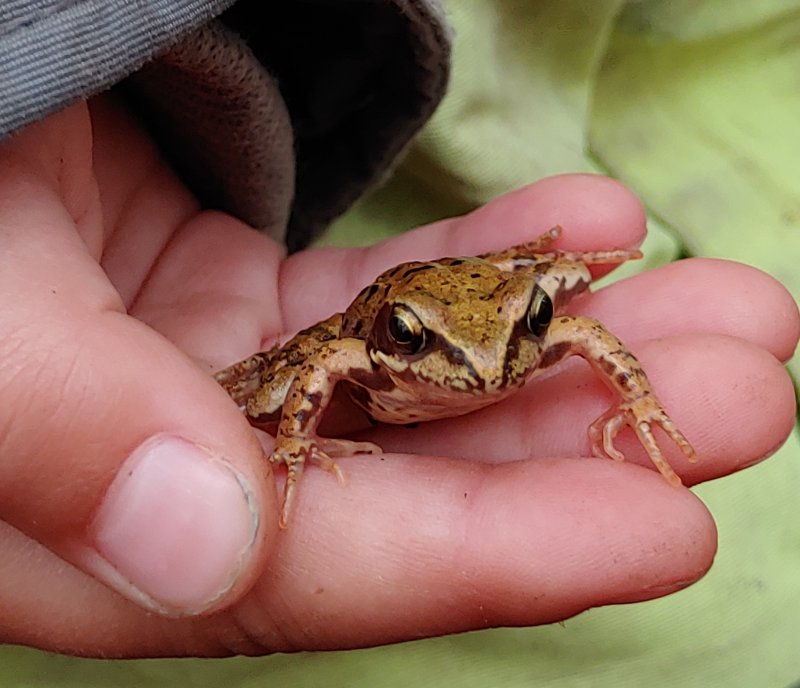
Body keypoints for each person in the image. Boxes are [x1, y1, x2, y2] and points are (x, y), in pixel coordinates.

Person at [1, 1, 797, 660]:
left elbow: (593, 338)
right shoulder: (362, 349)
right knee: (254, 396)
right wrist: (295, 443)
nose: (487, 371)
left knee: (573, 278)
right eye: (418, 340)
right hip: (356, 285)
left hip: (465, 286)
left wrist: (640, 402)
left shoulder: (529, 339)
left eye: (534, 328)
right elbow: (322, 361)